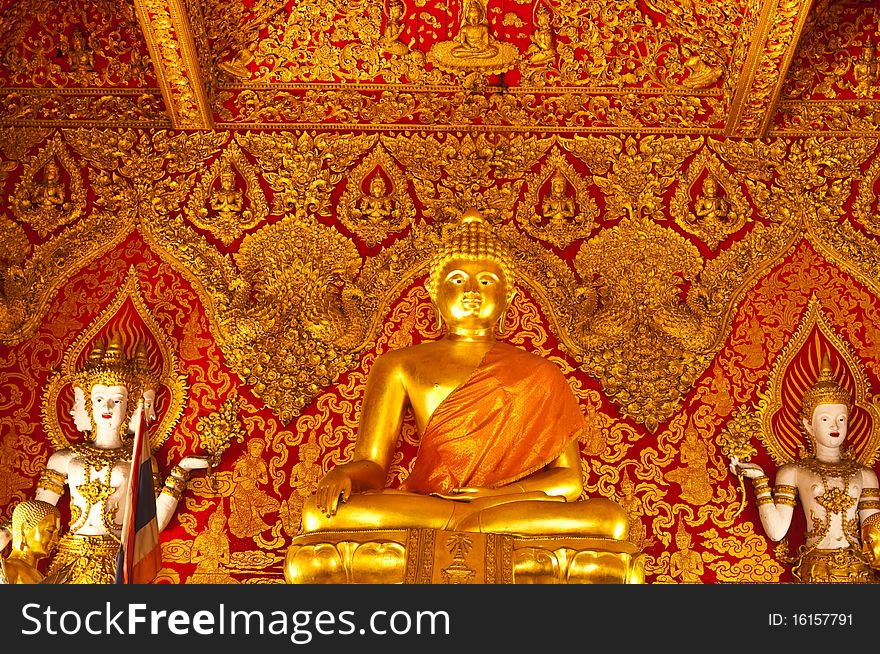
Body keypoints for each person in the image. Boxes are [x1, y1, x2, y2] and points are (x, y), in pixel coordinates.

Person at [304, 209, 629, 540]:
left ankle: (465, 522)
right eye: (457, 279)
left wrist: (493, 497)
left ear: (508, 296)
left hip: (504, 507)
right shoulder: (398, 364)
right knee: (318, 514)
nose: (472, 290)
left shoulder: (541, 372)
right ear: (435, 293)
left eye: (487, 281)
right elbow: (372, 466)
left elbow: (569, 481)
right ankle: (468, 522)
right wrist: (344, 475)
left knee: (610, 518)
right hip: (434, 503)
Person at [1, 334, 212, 583]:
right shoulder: (65, 458)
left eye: (117, 400)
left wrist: (181, 471)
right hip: (70, 557)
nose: (107, 408)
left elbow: (152, 523)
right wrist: (8, 533)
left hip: (115, 557)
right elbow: (38, 511)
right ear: (88, 404)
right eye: (99, 399)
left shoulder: (139, 461)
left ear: (131, 405)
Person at [730, 355, 880, 582]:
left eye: (841, 419)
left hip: (859, 570)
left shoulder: (864, 475)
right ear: (808, 425)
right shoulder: (794, 472)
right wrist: (760, 481)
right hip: (816, 568)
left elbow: (874, 534)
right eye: (825, 419)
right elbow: (777, 531)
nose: (835, 426)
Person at [1, 500, 61, 584]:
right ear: (24, 529)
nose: (55, 540)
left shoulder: (40, 577)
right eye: (50, 531)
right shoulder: (8, 569)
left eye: (57, 534)